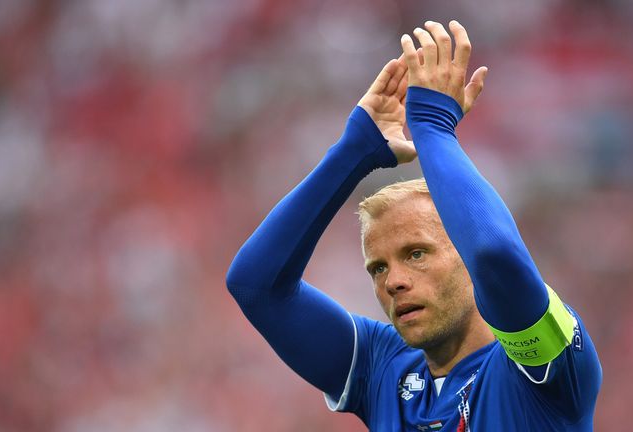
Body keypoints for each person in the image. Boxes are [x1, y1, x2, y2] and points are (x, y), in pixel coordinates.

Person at [226, 20, 601, 431]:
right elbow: (256, 286)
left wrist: (433, 127)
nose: (394, 282)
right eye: (378, 267)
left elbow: (495, 253)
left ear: (465, 256)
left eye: (416, 253)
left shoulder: (543, 366)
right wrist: (352, 153)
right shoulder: (383, 366)